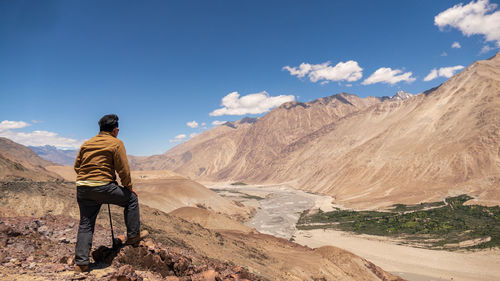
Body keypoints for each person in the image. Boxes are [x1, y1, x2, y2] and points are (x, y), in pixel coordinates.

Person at [73, 114, 148, 272]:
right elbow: (123, 169)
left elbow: (77, 167)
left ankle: (81, 263)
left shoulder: (87, 143)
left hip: (83, 187)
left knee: (86, 224)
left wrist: (89, 178)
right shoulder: (116, 143)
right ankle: (133, 237)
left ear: (100, 129)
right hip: (103, 187)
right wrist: (128, 187)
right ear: (116, 130)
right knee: (132, 199)